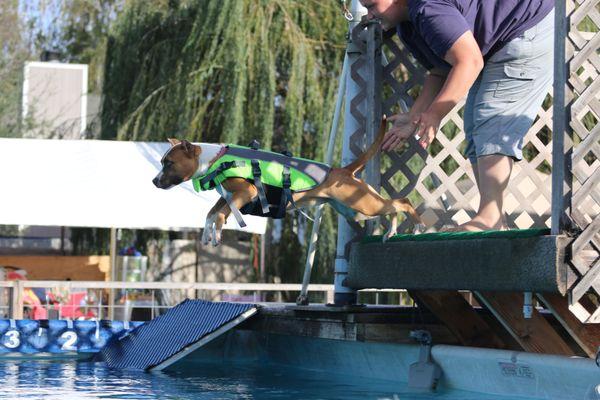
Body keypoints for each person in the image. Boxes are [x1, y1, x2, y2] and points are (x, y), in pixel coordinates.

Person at [360, 0, 554, 231]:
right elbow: (440, 70)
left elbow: (469, 61)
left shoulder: (428, 9)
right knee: (474, 125)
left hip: (530, 24)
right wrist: (415, 117)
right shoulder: (409, 26)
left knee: (492, 116)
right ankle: (492, 217)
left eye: (371, 5)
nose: (369, 14)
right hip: (505, 38)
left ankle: (489, 218)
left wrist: (435, 114)